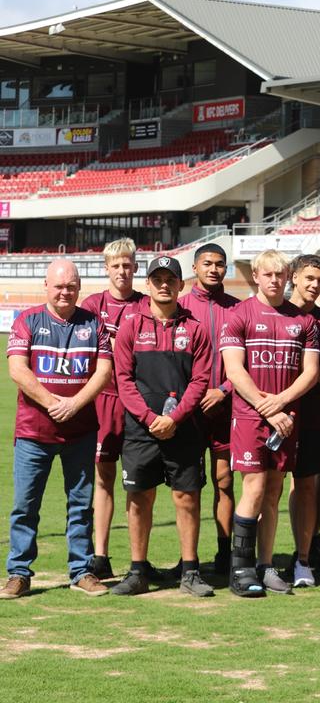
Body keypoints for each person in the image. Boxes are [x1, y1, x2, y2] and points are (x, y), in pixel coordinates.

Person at [2, 259, 112, 599]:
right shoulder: (28, 320)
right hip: (34, 432)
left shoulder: (94, 323)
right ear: (46, 286)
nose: (65, 292)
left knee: (80, 504)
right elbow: (18, 370)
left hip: (80, 431)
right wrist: (53, 402)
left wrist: (74, 404)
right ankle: (19, 573)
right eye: (58, 286)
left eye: (71, 286)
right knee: (25, 505)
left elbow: (104, 372)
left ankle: (81, 571)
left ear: (79, 287)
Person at [110, 256, 214, 597]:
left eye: (171, 278)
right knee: (139, 497)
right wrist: (150, 418)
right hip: (142, 429)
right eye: (158, 278)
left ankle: (190, 572)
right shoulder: (131, 326)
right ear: (149, 283)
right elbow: (123, 380)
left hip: (183, 428)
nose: (164, 284)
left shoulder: (195, 329)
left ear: (181, 285)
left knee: (186, 498)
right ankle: (138, 571)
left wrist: (175, 417)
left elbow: (200, 381)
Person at [221, 250, 320, 597]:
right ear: (257, 276)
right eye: (268, 274)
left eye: (280, 274)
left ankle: (265, 566)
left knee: (275, 491)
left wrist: (280, 404)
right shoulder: (239, 315)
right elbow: (234, 371)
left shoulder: (303, 322)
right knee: (254, 488)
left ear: (288, 276)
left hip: (285, 419)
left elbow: (310, 373)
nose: (275, 280)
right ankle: (240, 568)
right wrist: (268, 406)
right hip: (252, 416)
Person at [81, 237, 145, 580]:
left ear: (135, 267)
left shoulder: (147, 304)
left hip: (137, 402)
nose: (122, 270)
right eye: (115, 265)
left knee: (138, 483)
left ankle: (139, 558)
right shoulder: (92, 306)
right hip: (103, 400)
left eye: (127, 264)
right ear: (106, 268)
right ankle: (101, 554)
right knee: (103, 478)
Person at [179, 243, 239, 574]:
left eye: (220, 264)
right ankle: (187, 558)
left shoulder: (238, 309)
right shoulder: (180, 306)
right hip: (188, 412)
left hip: (225, 409)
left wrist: (225, 390)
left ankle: (224, 552)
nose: (214, 269)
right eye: (207, 264)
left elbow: (247, 363)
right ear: (196, 267)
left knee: (225, 481)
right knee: (186, 487)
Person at [287, 255, 320, 588]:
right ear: (294, 277)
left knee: (309, 487)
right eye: (309, 278)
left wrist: (286, 371)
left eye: (319, 280)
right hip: (269, 413)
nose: (315, 285)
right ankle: (258, 559)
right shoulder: (274, 312)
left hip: (309, 418)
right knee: (264, 488)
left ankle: (303, 558)